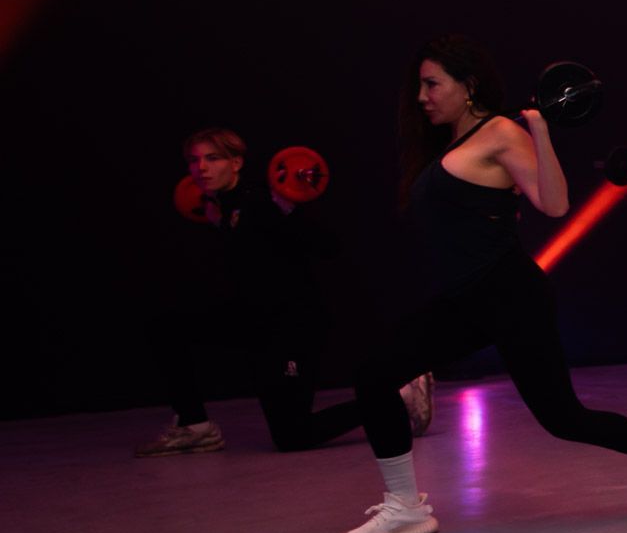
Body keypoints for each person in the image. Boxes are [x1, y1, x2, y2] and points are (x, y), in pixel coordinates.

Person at [339, 35, 627, 533]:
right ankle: (405, 508)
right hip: (465, 301)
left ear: (467, 86)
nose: (422, 96)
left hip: (511, 295)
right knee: (375, 372)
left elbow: (555, 205)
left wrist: (538, 131)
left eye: (432, 84)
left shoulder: (500, 132)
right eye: (419, 85)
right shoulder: (449, 145)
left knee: (562, 418)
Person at [140, 127, 432, 457]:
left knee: (292, 436)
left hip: (291, 329)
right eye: (194, 161)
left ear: (236, 163)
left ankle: (397, 397)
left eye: (212, 158)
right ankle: (194, 426)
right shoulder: (220, 206)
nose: (200, 168)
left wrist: (290, 211)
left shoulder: (264, 201)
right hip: (252, 320)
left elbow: (329, 246)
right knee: (165, 326)